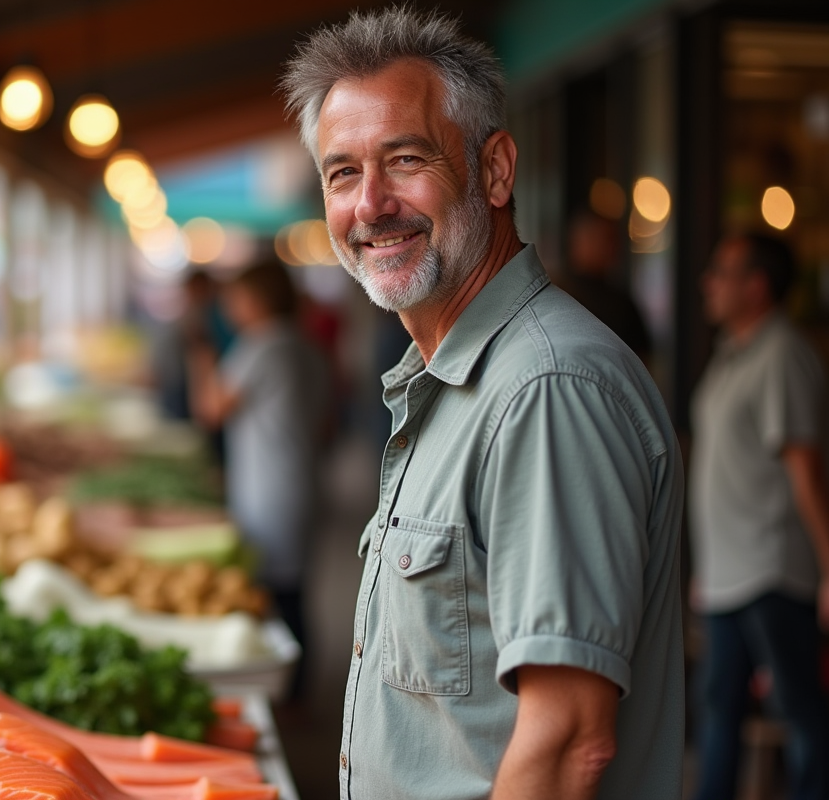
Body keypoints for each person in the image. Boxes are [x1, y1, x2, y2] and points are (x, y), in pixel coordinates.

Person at [280, 8, 684, 799]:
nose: (369, 205)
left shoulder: (546, 390)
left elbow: (568, 741)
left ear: (495, 170)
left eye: (404, 158)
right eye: (341, 173)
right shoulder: (452, 378)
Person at [689, 233, 829, 800]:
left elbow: (806, 474)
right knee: (717, 714)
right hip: (727, 575)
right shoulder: (731, 354)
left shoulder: (783, 354)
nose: (708, 282)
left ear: (758, 285)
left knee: (798, 712)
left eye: (723, 272)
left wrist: (828, 567)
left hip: (771, 569)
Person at [190, 262, 328, 664]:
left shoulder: (262, 345)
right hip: (299, 478)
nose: (229, 309)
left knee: (273, 593)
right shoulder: (305, 344)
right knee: (294, 588)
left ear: (257, 300)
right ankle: (302, 684)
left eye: (235, 298)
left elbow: (211, 409)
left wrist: (200, 354)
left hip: (269, 488)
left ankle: (288, 683)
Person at [561, 210, 651, 359]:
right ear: (576, 241)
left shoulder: (621, 304)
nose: (611, 248)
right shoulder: (559, 294)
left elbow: (642, 361)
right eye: (599, 239)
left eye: (613, 240)